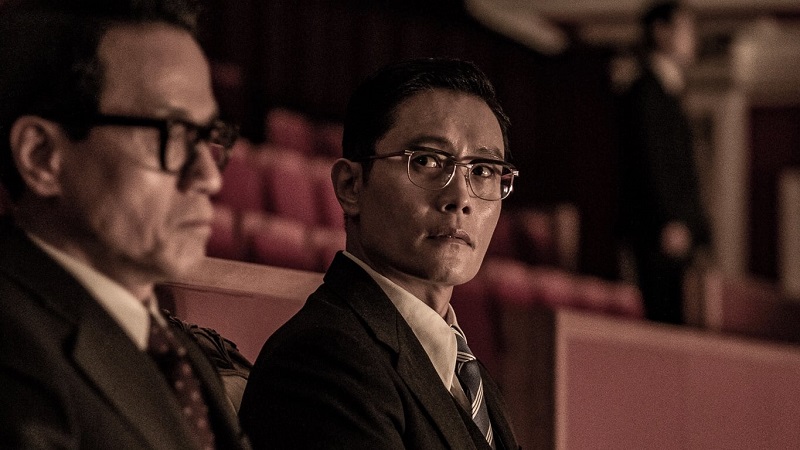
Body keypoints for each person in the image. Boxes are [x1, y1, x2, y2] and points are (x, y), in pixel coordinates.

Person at [0, 1, 251, 448]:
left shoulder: (174, 347)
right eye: (171, 132)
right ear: (41, 156)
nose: (209, 177)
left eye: (210, 137)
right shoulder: (14, 354)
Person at [239, 58, 521, 450]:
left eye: (484, 170)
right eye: (426, 161)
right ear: (351, 186)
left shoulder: (465, 369)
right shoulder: (321, 360)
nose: (461, 198)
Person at [616, 0, 711, 324]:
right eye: (686, 29)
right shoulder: (646, 92)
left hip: (673, 231)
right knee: (663, 319)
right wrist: (669, 220)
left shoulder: (667, 90)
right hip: (661, 232)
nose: (693, 38)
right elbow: (651, 160)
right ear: (661, 31)